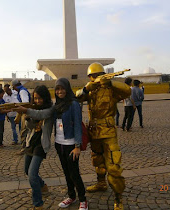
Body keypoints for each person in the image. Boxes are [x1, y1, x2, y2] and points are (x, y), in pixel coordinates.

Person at [76, 63, 131, 210]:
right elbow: (76, 97)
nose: (96, 78)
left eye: (98, 75)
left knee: (113, 165)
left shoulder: (111, 90)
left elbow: (127, 91)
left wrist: (112, 83)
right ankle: (101, 183)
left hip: (108, 131)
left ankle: (118, 197)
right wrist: (86, 89)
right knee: (97, 159)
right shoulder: (90, 90)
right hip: (94, 131)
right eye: (93, 76)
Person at [13, 85, 54, 210]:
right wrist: (25, 115)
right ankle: (42, 186)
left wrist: (26, 111)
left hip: (41, 145)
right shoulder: (32, 108)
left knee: (32, 174)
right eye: (35, 98)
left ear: (45, 98)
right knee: (27, 170)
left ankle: (38, 204)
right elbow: (30, 126)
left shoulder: (51, 109)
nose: (37, 101)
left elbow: (41, 115)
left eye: (40, 98)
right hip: (31, 142)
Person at [54, 78, 88, 210]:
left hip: (71, 144)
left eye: (62, 88)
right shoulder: (57, 104)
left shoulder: (74, 104)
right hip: (59, 143)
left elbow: (78, 126)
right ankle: (71, 196)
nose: (60, 91)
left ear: (67, 89)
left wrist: (77, 146)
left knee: (74, 173)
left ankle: (83, 199)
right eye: (57, 89)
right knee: (66, 173)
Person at [12, 79, 31, 155]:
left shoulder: (22, 91)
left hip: (25, 113)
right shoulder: (22, 90)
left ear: (15, 86)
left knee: (24, 131)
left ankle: (24, 149)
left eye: (13, 87)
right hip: (25, 112)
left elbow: (25, 103)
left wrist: (17, 107)